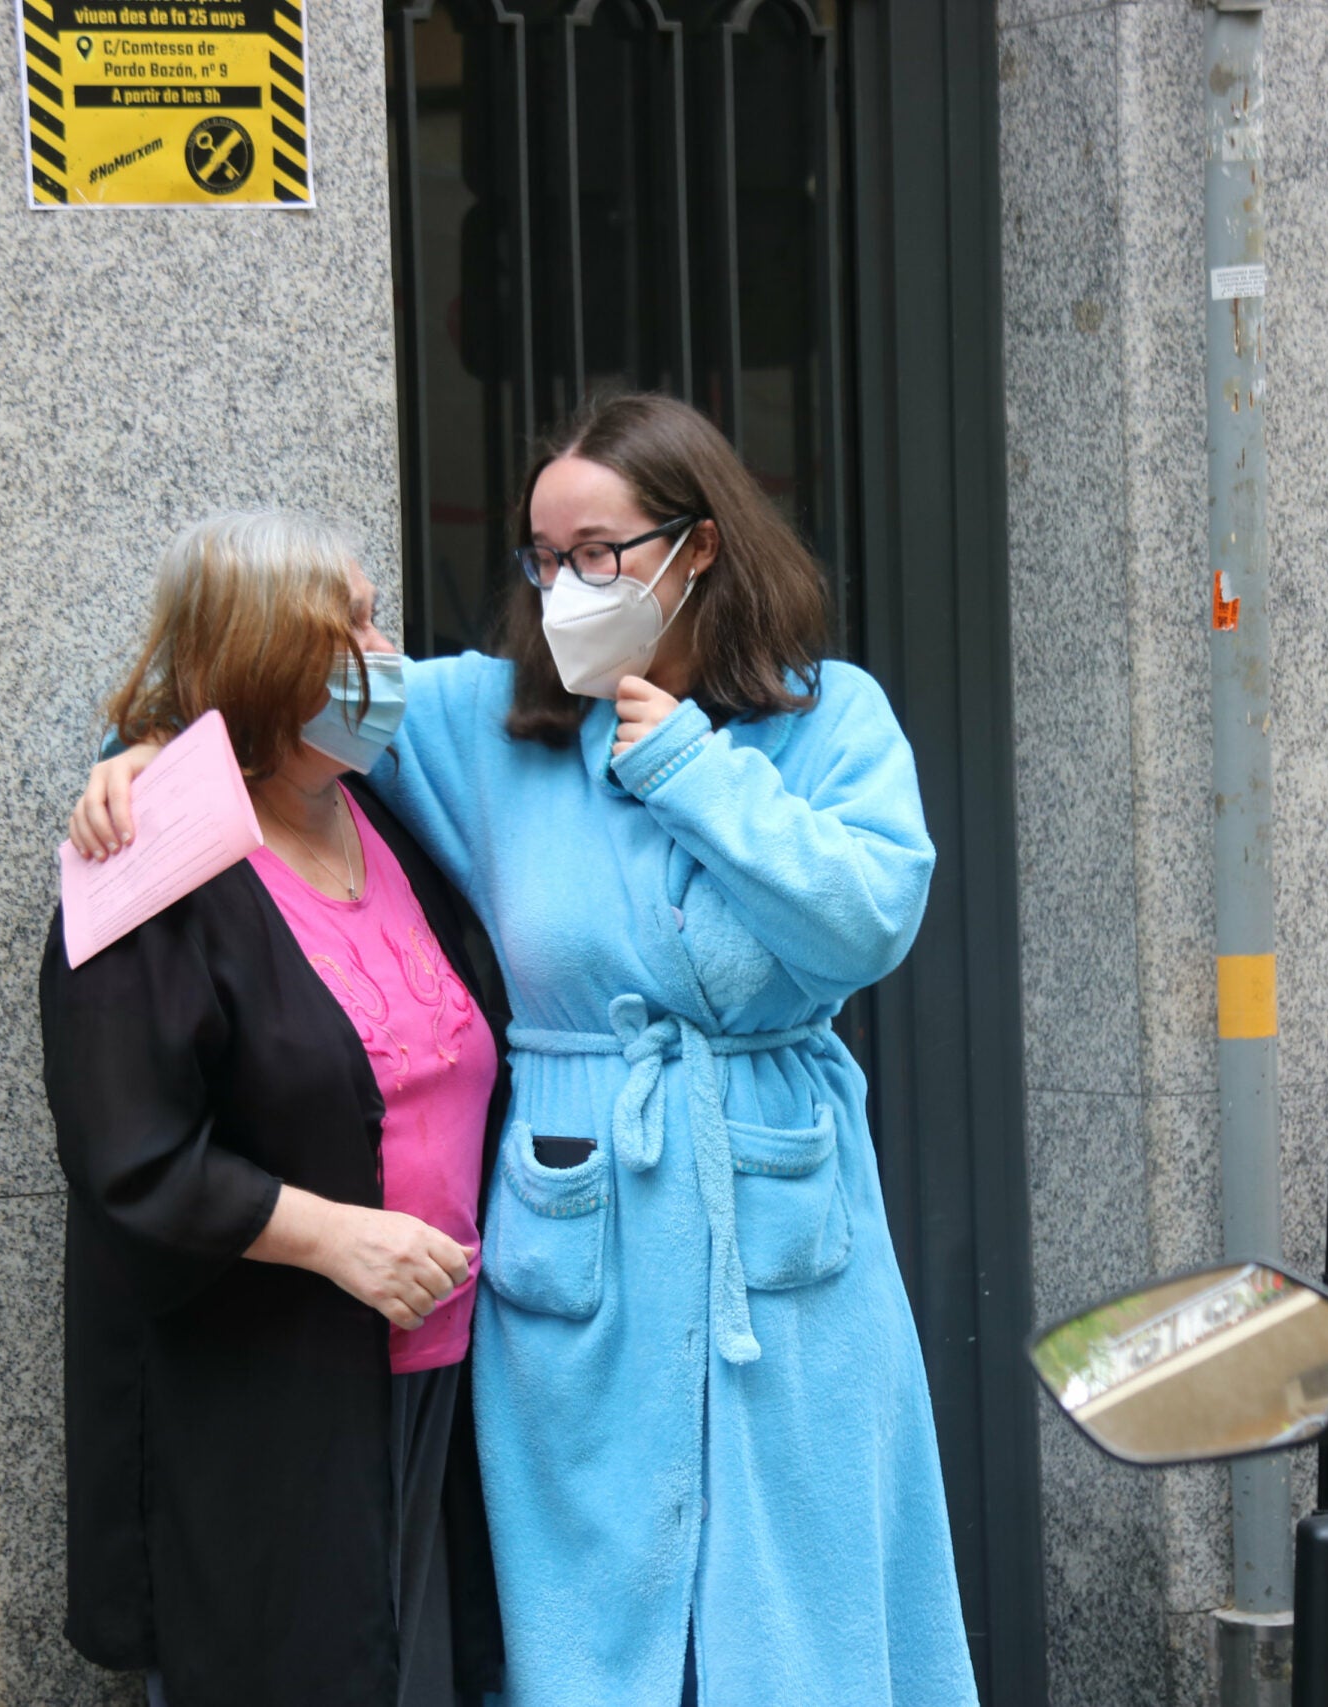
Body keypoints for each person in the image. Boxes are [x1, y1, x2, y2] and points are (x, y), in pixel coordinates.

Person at [72, 394, 976, 1706]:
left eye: (595, 551)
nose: (562, 584)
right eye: (541, 555)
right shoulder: (484, 721)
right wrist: (144, 751)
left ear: (699, 546)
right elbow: (276, 707)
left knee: (809, 1621)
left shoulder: (829, 719)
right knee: (581, 1634)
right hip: (578, 1245)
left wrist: (691, 767)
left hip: (784, 1235)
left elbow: (868, 914)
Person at [41, 511, 510, 1707]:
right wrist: (339, 1238)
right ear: (259, 657)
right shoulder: (156, 861)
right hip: (264, 1392)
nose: (383, 647)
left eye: (373, 610)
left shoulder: (384, 813)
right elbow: (130, 1158)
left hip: (431, 1365)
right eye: (346, 623)